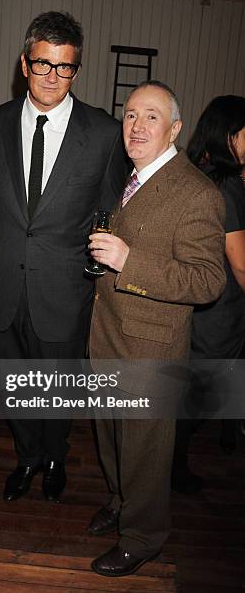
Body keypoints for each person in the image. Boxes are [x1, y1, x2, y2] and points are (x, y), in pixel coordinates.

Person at [0, 11, 126, 503]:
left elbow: (109, 210)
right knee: (17, 386)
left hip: (64, 291)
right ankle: (25, 458)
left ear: (76, 70)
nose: (52, 77)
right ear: (25, 63)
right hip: (4, 286)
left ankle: (54, 457)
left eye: (64, 67)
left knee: (59, 390)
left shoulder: (105, 133)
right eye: (43, 64)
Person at [87, 80, 226, 577]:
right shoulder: (133, 177)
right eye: (129, 115)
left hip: (150, 349)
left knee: (144, 449)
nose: (136, 125)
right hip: (108, 336)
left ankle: (144, 536)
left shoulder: (196, 192)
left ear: (175, 129)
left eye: (151, 116)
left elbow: (208, 281)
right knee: (112, 440)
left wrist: (128, 262)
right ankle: (121, 502)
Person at [172, 95, 245, 492]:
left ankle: (171, 460)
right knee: (206, 393)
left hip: (197, 304)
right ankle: (172, 467)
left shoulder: (195, 169)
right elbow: (241, 264)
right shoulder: (228, 185)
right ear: (231, 135)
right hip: (220, 308)